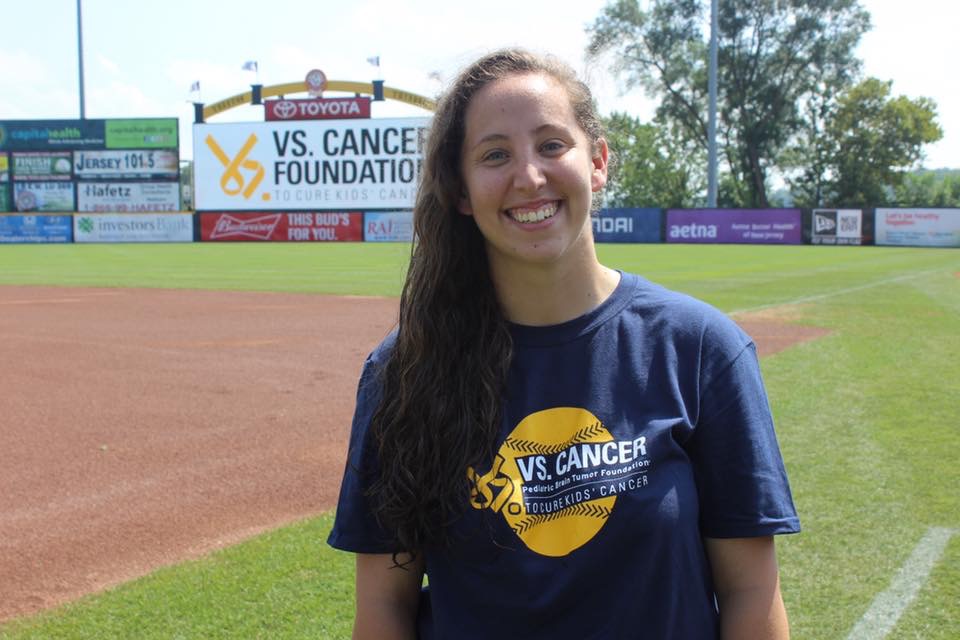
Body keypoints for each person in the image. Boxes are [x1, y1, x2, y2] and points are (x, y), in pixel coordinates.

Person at [328, 48, 800, 639]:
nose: (529, 176)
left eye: (552, 145)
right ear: (462, 191)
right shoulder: (404, 371)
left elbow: (752, 592)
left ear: (597, 161)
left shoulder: (701, 350)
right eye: (495, 154)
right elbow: (383, 608)